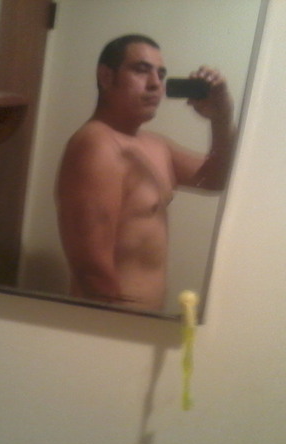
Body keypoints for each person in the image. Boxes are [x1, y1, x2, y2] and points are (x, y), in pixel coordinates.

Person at [55, 34, 237, 311]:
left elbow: (216, 178)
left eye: (161, 74)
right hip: (113, 326)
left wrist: (221, 118)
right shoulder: (97, 146)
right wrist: (123, 332)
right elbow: (92, 271)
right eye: (141, 70)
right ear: (106, 76)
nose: (155, 84)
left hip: (140, 325)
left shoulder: (155, 145)